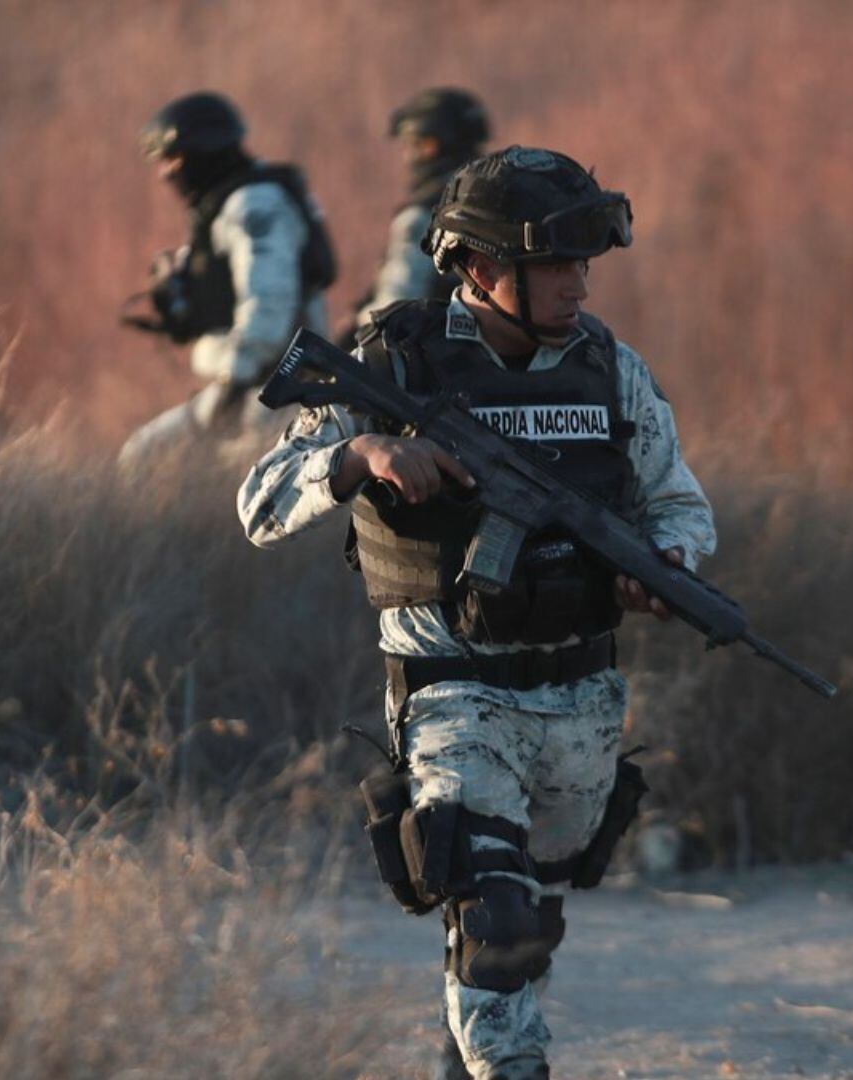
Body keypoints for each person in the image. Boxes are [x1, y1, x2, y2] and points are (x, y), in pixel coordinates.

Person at [237, 147, 716, 1080]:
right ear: (484, 269)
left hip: (580, 696)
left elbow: (678, 503)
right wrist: (361, 455)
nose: (581, 283)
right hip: (452, 688)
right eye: (558, 264)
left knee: (523, 928)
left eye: (586, 263)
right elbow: (258, 502)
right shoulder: (394, 361)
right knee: (490, 918)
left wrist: (669, 564)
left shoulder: (609, 370)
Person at [120, 91, 336, 470]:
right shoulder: (228, 203)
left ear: (201, 151)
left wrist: (231, 388)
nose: (164, 172)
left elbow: (268, 305)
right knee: (144, 456)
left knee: (152, 461)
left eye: (171, 159)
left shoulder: (255, 204)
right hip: (250, 386)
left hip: (273, 393)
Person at [340, 87, 490, 345]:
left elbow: (397, 304)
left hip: (435, 359)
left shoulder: (423, 215)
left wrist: (354, 328)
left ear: (431, 147)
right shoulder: (496, 202)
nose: (408, 155)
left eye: (414, 144)